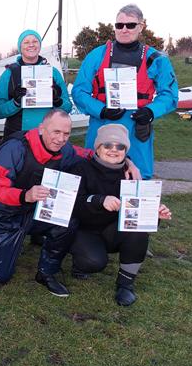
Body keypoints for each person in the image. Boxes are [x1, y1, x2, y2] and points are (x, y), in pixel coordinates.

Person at [0, 109, 104, 296]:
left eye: (66, 134)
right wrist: (24, 196)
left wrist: (127, 162)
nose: (61, 139)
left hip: (32, 211)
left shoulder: (65, 150)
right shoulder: (14, 149)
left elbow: (86, 154)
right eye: (56, 132)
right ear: (41, 129)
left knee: (67, 221)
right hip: (1, 214)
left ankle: (47, 272)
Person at [71, 4, 178, 179]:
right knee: (93, 175)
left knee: (137, 178)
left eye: (130, 25)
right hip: (102, 124)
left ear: (141, 27)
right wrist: (101, 110)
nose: (124, 30)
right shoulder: (96, 56)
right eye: (119, 25)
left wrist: (150, 112)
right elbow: (79, 91)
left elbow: (170, 95)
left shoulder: (157, 60)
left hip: (136, 128)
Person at [69, 124, 171, 306]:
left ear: (126, 150)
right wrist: (99, 200)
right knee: (93, 262)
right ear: (98, 147)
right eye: (107, 145)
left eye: (120, 146)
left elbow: (138, 215)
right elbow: (71, 204)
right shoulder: (81, 168)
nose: (113, 150)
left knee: (138, 230)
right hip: (85, 228)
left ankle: (126, 284)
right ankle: (79, 263)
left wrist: (155, 214)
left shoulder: (132, 175)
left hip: (113, 229)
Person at [0, 29, 72, 137]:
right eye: (26, 42)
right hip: (17, 136)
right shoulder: (9, 73)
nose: (31, 45)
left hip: (47, 136)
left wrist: (57, 101)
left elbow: (68, 108)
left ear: (40, 45)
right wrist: (15, 103)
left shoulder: (53, 72)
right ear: (20, 47)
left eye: (35, 41)